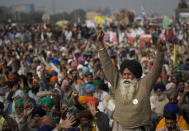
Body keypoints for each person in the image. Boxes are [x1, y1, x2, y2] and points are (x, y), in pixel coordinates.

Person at [97, 30, 166, 130]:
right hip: (119, 126)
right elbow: (107, 65)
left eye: (129, 75)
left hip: (139, 127)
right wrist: (100, 43)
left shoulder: (144, 84)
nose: (126, 77)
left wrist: (160, 52)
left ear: (136, 75)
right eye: (124, 74)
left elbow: (155, 71)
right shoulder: (117, 83)